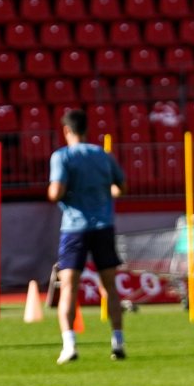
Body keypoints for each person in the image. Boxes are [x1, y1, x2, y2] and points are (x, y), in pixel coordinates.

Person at [47, 108, 128, 364]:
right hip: (103, 225)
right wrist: (104, 195)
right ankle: (118, 341)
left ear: (66, 130)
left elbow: (57, 191)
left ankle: (69, 344)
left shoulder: (62, 156)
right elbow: (121, 186)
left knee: (69, 285)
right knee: (109, 287)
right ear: (87, 129)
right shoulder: (102, 155)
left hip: (75, 227)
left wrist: (55, 193)